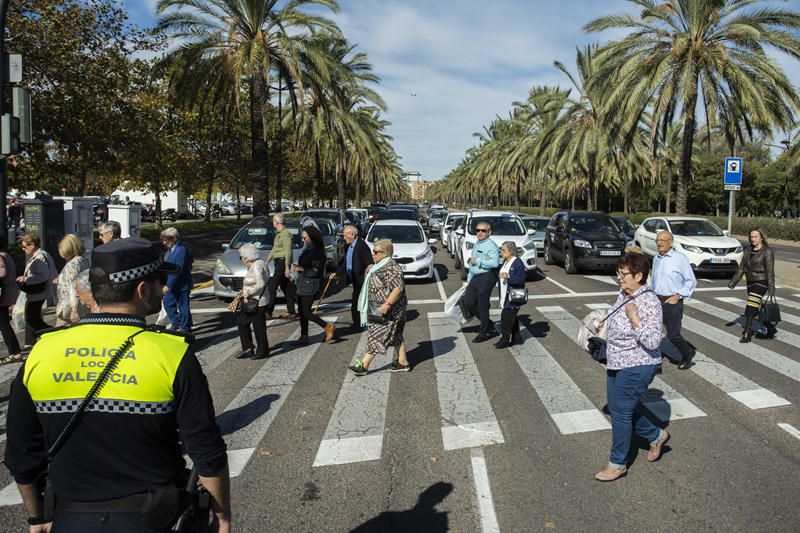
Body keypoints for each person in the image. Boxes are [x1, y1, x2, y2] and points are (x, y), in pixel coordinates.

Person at [4, 237, 231, 532]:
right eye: (159, 281)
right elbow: (206, 451)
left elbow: (22, 454)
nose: (164, 288)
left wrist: (37, 518)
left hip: (70, 517)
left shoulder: (42, 352)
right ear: (141, 289)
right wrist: (223, 518)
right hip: (153, 519)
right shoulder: (172, 354)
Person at [595, 250, 668, 482]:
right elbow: (617, 317)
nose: (619, 277)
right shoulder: (624, 294)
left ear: (639, 276)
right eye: (618, 272)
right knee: (618, 408)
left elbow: (653, 340)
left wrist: (634, 318)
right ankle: (655, 435)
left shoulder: (648, 301)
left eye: (624, 273)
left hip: (638, 363)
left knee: (622, 412)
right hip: (617, 360)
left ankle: (617, 463)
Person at [349, 239, 410, 375]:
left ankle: (364, 365)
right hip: (376, 306)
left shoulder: (391, 268)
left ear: (385, 253)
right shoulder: (379, 265)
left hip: (387, 308)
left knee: (377, 335)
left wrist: (387, 304)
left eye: (376, 252)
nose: (373, 254)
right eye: (373, 251)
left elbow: (398, 288)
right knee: (395, 334)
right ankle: (403, 362)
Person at [650, 230, 697, 369]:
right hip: (657, 300)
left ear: (670, 242)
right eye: (657, 240)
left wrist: (677, 296)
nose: (659, 243)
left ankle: (687, 354)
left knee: (673, 335)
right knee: (654, 332)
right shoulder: (656, 258)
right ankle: (655, 361)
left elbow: (691, 281)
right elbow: (654, 280)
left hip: (672, 301)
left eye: (663, 241)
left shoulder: (679, 258)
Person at [728, 227, 776, 342]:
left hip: (762, 281)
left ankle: (747, 332)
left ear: (761, 237)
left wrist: (771, 288)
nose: (753, 239)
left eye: (755, 237)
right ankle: (770, 328)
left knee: (751, 304)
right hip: (750, 281)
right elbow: (742, 267)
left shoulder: (767, 251)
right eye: (751, 237)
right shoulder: (748, 250)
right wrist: (733, 281)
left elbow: (770, 271)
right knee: (755, 306)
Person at [292, 226, 335, 345]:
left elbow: (315, 271)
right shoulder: (308, 249)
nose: (303, 240)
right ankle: (304, 335)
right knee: (301, 311)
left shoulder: (317, 252)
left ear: (312, 237)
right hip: (303, 283)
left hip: (310, 284)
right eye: (302, 237)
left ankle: (327, 326)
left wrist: (300, 268)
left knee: (306, 312)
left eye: (305, 237)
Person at [16, 233, 58, 348]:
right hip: (38, 292)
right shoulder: (39, 255)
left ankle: (53, 333)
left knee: (32, 318)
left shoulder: (40, 257)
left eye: (25, 247)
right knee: (32, 317)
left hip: (38, 292)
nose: (23, 249)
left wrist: (26, 279)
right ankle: (32, 341)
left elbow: (43, 276)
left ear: (32, 245)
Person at [463, 222, 500, 342]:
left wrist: (479, 261)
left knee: (483, 306)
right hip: (475, 277)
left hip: (486, 277)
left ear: (489, 232)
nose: (480, 232)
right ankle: (488, 323)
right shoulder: (477, 244)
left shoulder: (491, 246)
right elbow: (471, 262)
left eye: (483, 231)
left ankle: (483, 333)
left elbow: (494, 263)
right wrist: (469, 277)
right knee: (468, 302)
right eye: (478, 230)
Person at [335, 225, 373, 332]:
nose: (344, 237)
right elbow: (347, 262)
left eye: (345, 235)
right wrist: (337, 273)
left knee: (356, 303)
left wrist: (366, 276)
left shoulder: (361, 245)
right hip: (354, 279)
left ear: (352, 234)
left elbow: (369, 262)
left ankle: (357, 325)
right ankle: (357, 324)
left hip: (361, 280)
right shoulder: (349, 245)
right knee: (356, 302)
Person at [236, 243, 270, 359]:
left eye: (241, 257)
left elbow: (261, 283)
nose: (241, 259)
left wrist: (249, 292)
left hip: (257, 301)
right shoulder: (259, 263)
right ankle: (248, 348)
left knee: (259, 327)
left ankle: (263, 351)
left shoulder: (256, 266)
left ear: (246, 257)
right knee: (242, 322)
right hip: (254, 301)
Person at [161, 227, 193, 333]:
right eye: (163, 240)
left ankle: (185, 328)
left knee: (183, 306)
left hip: (181, 284)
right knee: (168, 303)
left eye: (167, 239)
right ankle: (177, 322)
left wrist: (167, 286)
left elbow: (177, 270)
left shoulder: (181, 250)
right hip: (172, 283)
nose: (164, 242)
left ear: (174, 238)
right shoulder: (170, 250)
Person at [265, 213, 297, 319]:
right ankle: (291, 310)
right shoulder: (278, 233)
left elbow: (288, 251)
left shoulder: (285, 234)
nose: (272, 222)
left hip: (283, 262)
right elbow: (275, 249)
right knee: (286, 287)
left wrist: (287, 267)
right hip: (278, 261)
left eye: (273, 221)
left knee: (272, 285)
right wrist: (267, 260)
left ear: (277, 222)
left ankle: (268, 312)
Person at [495, 241, 526, 349]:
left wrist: (508, 276)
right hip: (505, 295)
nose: (501, 252)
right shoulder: (505, 261)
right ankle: (517, 338)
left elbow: (521, 279)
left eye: (504, 250)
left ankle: (504, 340)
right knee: (512, 317)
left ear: (511, 251)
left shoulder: (517, 262)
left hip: (513, 297)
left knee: (505, 317)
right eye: (501, 250)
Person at [55, 234, 90, 326]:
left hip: (68, 307)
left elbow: (73, 287)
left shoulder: (72, 265)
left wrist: (74, 309)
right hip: (82, 304)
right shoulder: (83, 260)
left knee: (60, 334)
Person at [0, 233, 22, 363]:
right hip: (7, 293)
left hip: (2, 296)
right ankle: (15, 351)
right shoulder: (6, 255)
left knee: (4, 324)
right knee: (4, 324)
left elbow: (2, 272)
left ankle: (14, 352)